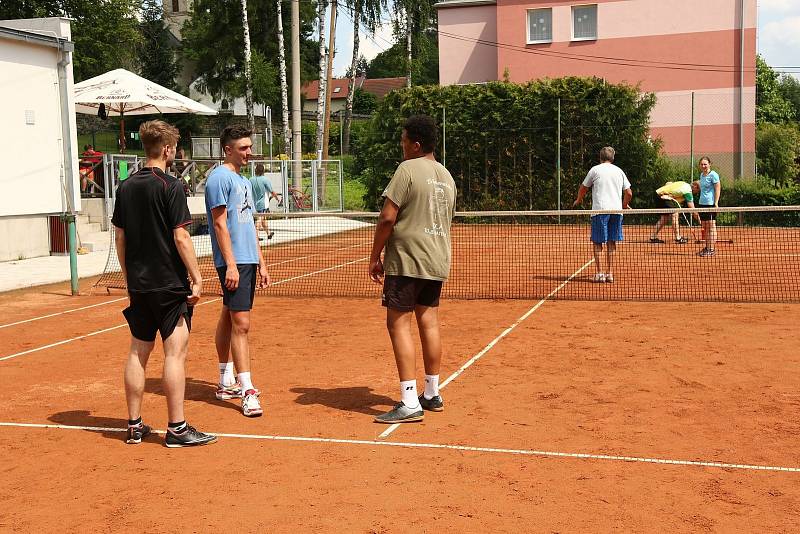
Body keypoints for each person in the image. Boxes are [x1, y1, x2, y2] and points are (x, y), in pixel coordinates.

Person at [112, 120, 216, 448]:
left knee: (137, 351)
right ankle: (177, 427)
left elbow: (120, 237)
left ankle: (133, 425)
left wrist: (129, 279)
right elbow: (182, 236)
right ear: (168, 150)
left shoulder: (125, 187)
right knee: (175, 352)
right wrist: (197, 278)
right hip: (169, 283)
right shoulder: (171, 186)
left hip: (140, 285)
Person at [369, 115, 457, 424]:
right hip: (437, 259)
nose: (402, 145)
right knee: (429, 322)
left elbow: (387, 217)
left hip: (407, 259)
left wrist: (374, 255)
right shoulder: (447, 176)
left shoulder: (406, 169)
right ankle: (432, 393)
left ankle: (409, 401)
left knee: (398, 324)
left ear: (416, 144)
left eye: (404, 140)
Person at [205, 125, 271, 417]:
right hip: (233, 261)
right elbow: (220, 224)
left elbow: (249, 224)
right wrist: (230, 263)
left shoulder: (242, 180)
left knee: (229, 315)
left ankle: (224, 381)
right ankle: (247, 389)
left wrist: (262, 263)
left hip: (247, 260)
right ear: (227, 149)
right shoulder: (219, 179)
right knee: (241, 323)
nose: (249, 152)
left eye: (249, 146)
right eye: (243, 147)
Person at [573, 146, 633, 283]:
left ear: (600, 157)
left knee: (598, 242)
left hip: (600, 211)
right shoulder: (619, 171)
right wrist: (623, 205)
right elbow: (629, 193)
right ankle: (609, 274)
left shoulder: (595, 170)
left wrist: (578, 200)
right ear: (613, 157)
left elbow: (583, 188)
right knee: (612, 242)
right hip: (616, 212)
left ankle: (600, 274)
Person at [697, 156, 721, 257]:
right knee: (705, 227)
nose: (703, 166)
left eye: (705, 164)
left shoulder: (714, 175)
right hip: (702, 204)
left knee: (711, 227)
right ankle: (707, 247)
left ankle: (711, 249)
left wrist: (716, 203)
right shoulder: (702, 175)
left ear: (709, 164)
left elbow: (717, 189)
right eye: (702, 164)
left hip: (710, 204)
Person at [250, 163, 279, 241]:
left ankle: (268, 233)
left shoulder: (251, 179)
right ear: (263, 171)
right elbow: (271, 191)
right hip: (262, 203)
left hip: (254, 203)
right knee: (259, 219)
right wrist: (277, 198)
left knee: (263, 219)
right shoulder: (265, 180)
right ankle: (255, 236)